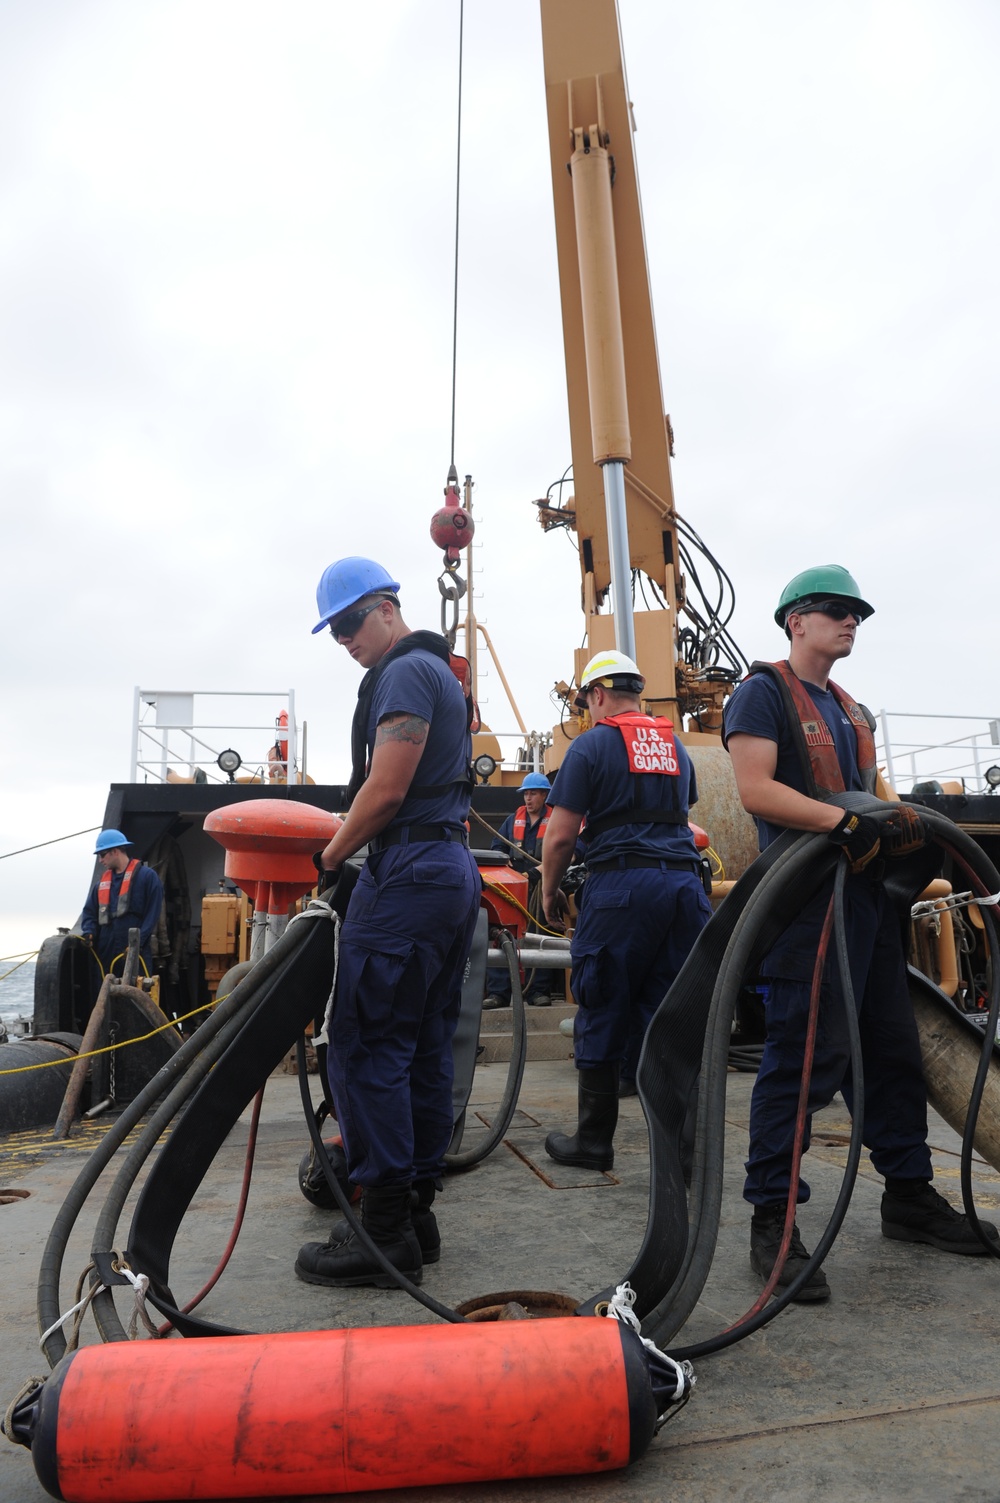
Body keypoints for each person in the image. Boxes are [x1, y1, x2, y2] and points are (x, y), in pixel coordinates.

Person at [723, 564, 999, 1304]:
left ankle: (908, 1194)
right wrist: (846, 821)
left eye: (856, 615)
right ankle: (773, 1224)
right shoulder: (762, 692)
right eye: (834, 611)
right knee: (803, 1066)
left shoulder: (853, 710)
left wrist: (895, 817)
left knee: (892, 1051)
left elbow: (872, 800)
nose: (849, 622)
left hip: (867, 905)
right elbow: (756, 788)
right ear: (794, 621)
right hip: (807, 906)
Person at [295, 556, 481, 1290]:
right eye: (333, 631)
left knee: (367, 1045)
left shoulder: (406, 673)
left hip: (408, 875)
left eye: (348, 623)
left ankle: (383, 1229)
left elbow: (388, 785)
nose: (344, 640)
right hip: (448, 870)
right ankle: (417, 1213)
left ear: (385, 607)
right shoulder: (443, 675)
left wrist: (332, 854)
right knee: (424, 1044)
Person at [540, 650, 713, 1170]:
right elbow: (680, 818)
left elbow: (561, 836)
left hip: (620, 890)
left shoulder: (592, 745)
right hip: (684, 890)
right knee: (674, 1011)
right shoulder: (677, 749)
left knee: (603, 1001)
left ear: (595, 695)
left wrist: (548, 893)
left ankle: (594, 1142)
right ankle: (681, 1155)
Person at [483, 772, 568, 1009]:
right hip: (513, 888)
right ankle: (499, 993)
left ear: (544, 795)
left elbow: (567, 852)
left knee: (540, 937)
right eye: (526, 794)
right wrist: (506, 865)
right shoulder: (512, 821)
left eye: (533, 793)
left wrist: (536, 874)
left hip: (543, 886)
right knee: (502, 935)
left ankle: (538, 991)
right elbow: (498, 847)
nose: (528, 799)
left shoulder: (557, 821)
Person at [80, 830, 163, 980]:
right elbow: (89, 913)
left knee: (137, 996)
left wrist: (137, 944)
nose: (100, 860)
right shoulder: (100, 885)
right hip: (106, 952)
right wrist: (89, 932)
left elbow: (152, 915)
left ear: (115, 851)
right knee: (105, 996)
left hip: (136, 951)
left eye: (102, 855)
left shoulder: (147, 877)